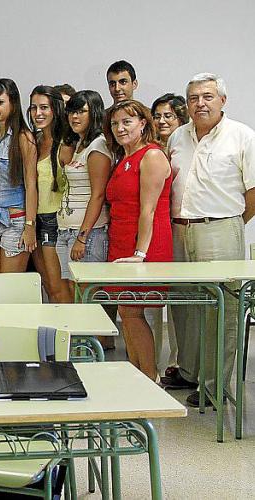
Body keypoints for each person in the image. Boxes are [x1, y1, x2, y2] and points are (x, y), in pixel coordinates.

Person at [165, 73, 255, 407]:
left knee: (222, 311)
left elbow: (253, 191)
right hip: (179, 229)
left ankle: (215, 386)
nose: (200, 104)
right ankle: (189, 372)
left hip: (220, 227)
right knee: (184, 306)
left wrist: (231, 224)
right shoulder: (178, 136)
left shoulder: (242, 136)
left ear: (222, 101)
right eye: (193, 98)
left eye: (207, 97)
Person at [103, 99, 173, 381]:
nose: (120, 128)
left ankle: (149, 378)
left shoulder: (152, 156)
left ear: (143, 123)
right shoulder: (124, 158)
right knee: (126, 311)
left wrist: (140, 253)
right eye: (115, 123)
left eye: (127, 122)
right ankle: (137, 375)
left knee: (132, 312)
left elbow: (149, 209)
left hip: (144, 245)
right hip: (122, 241)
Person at [0, 79, 38, 273]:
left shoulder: (23, 137)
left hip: (15, 220)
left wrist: (30, 226)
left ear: (13, 103)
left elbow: (31, 185)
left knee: (9, 286)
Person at [56, 90, 112, 297]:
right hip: (66, 230)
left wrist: (82, 237)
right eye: (71, 112)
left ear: (94, 113)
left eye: (81, 112)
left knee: (87, 295)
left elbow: (98, 195)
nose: (74, 117)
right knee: (74, 293)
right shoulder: (79, 143)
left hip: (88, 233)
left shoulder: (98, 145)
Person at [150, 92, 189, 379]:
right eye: (157, 116)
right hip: (156, 229)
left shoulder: (185, 147)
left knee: (181, 300)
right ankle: (151, 361)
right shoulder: (148, 148)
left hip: (180, 225)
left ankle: (178, 360)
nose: (162, 121)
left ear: (180, 118)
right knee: (154, 300)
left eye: (169, 116)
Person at [27, 85, 73, 303]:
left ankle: (71, 326)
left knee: (59, 288)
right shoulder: (33, 140)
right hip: (34, 220)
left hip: (56, 220)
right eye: (34, 107)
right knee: (47, 286)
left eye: (44, 107)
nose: (38, 113)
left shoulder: (66, 143)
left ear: (56, 109)